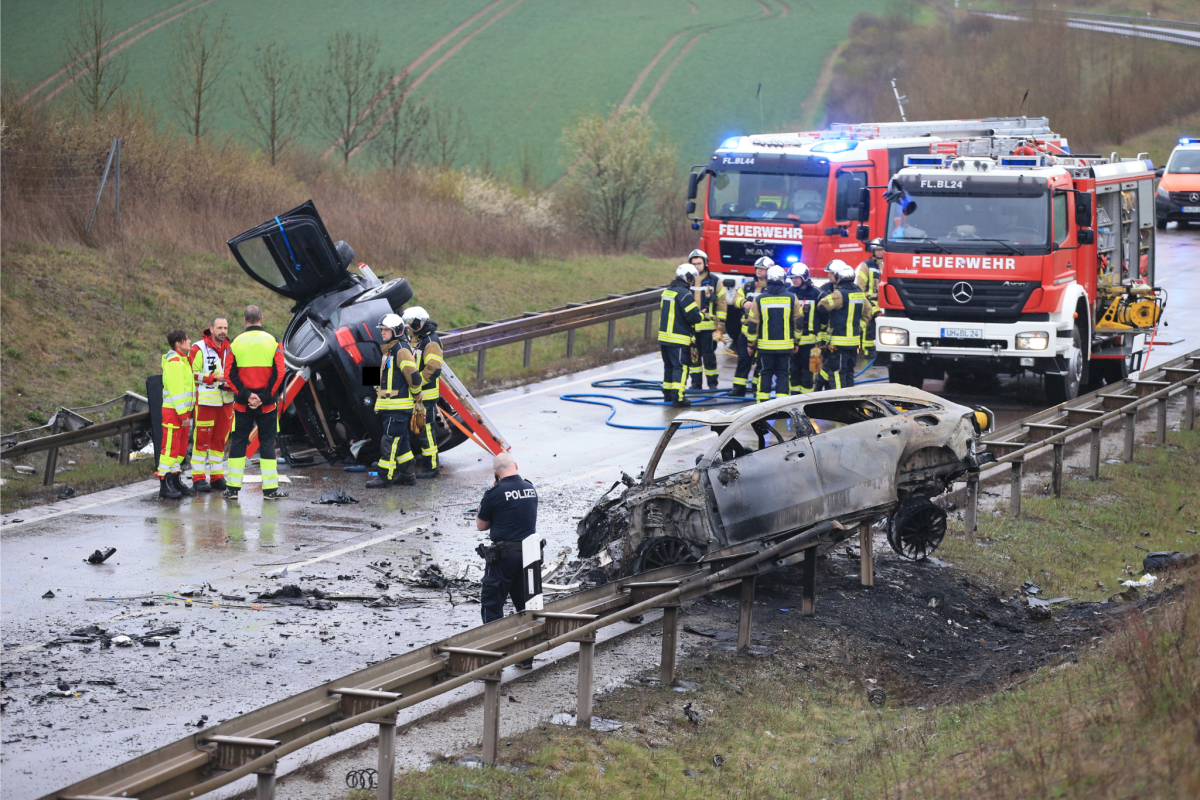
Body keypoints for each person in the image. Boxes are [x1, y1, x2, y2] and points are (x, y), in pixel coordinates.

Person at [475, 451, 539, 667]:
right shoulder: (530, 488)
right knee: (525, 606)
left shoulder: (495, 493)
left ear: (496, 473)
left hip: (503, 558)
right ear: (516, 465)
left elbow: (481, 525)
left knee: (492, 605)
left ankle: (493, 660)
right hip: (529, 555)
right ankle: (526, 658)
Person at [225, 306, 287, 500]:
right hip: (267, 405)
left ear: (245, 320)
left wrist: (247, 396)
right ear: (261, 318)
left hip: (242, 405)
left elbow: (229, 375)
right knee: (267, 443)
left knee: (239, 443)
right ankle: (270, 490)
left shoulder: (234, 342)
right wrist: (264, 397)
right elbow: (280, 372)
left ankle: (232, 489)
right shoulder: (273, 341)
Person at [367, 313, 420, 489]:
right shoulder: (390, 350)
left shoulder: (401, 350)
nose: (382, 333)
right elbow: (384, 376)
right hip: (391, 407)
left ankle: (385, 477)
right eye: (381, 330)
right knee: (402, 441)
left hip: (398, 407)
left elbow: (413, 376)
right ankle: (407, 475)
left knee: (388, 441)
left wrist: (417, 393)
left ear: (396, 331)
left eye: (386, 330)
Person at [187, 317, 234, 493]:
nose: (223, 331)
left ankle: (217, 476)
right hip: (206, 401)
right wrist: (214, 378)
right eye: (219, 328)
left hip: (226, 400)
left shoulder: (230, 348)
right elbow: (192, 374)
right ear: (212, 329)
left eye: (225, 328)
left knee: (220, 441)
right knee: (201, 441)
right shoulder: (198, 348)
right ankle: (198, 478)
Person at [745, 265, 803, 402]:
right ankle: (781, 406)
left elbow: (753, 324)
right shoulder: (792, 298)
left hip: (765, 348)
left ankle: (761, 406)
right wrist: (796, 342)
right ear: (783, 279)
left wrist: (751, 345)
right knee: (783, 374)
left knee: (765, 373)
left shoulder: (759, 299)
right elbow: (799, 322)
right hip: (785, 346)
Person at [402, 306, 443, 479]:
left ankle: (431, 468)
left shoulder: (430, 342)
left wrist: (416, 385)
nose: (407, 329)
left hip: (424, 397)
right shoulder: (416, 339)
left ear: (418, 324)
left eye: (409, 325)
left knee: (426, 434)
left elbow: (433, 369)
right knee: (418, 432)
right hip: (416, 396)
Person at [815, 260, 869, 391]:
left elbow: (821, 306)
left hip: (838, 342)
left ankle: (839, 400)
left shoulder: (839, 294)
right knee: (849, 372)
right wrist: (859, 327)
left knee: (837, 372)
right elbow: (867, 312)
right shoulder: (860, 294)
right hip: (854, 341)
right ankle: (849, 397)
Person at [659, 263, 703, 407]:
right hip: (678, 338)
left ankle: (667, 394)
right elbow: (693, 316)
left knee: (669, 366)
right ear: (688, 278)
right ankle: (678, 397)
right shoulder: (684, 294)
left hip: (664, 337)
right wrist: (701, 315)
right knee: (681, 367)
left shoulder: (667, 291)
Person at [158, 329, 196, 500]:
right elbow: (176, 392)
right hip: (174, 413)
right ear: (178, 343)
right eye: (187, 340)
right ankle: (164, 484)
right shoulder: (174, 362)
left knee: (180, 449)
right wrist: (183, 415)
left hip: (181, 412)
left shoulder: (182, 361)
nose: (190, 342)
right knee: (170, 450)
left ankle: (174, 480)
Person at [728, 258, 771, 397]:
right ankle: (738, 388)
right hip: (746, 332)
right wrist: (744, 302)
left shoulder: (772, 288)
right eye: (757, 267)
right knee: (743, 360)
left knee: (761, 363)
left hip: (764, 333)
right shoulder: (747, 286)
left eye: (762, 268)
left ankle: (757, 387)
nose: (759, 270)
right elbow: (736, 298)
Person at [686, 249, 725, 390]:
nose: (697, 266)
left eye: (699, 263)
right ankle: (696, 384)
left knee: (709, 357)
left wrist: (720, 323)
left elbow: (721, 302)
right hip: (691, 327)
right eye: (694, 263)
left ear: (705, 263)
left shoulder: (714, 281)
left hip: (709, 328)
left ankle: (712, 384)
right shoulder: (686, 281)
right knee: (694, 357)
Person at [787, 263, 822, 394]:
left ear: (805, 277)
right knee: (793, 370)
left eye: (796, 277)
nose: (794, 280)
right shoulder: (789, 293)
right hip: (793, 341)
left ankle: (806, 399)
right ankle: (794, 398)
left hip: (810, 342)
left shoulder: (816, 294)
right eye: (792, 278)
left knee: (808, 372)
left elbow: (823, 317)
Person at [855, 239, 885, 357]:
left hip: (885, 300)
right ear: (873, 251)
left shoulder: (889, 263)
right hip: (870, 301)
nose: (879, 252)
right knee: (871, 324)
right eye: (877, 250)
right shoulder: (866, 265)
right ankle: (868, 349)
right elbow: (860, 285)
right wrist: (863, 301)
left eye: (881, 250)